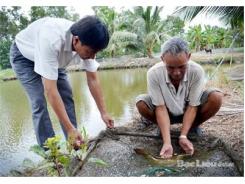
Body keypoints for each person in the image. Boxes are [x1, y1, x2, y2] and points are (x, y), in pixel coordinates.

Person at [10, 16, 114, 149]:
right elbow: (51, 91)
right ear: (76, 40)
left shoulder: (88, 40)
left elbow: (93, 79)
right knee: (38, 102)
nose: (92, 56)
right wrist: (70, 128)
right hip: (24, 58)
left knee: (66, 95)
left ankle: (74, 143)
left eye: (95, 52)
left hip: (54, 59)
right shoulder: (51, 39)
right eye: (90, 52)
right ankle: (52, 153)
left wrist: (104, 113)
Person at [135, 37, 223, 158]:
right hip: (165, 110)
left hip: (189, 110)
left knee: (216, 97)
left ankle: (190, 128)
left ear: (189, 56)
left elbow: (193, 106)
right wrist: (167, 143)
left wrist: (182, 136)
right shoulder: (153, 73)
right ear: (162, 59)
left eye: (182, 66)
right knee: (141, 102)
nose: (176, 72)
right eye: (170, 67)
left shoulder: (197, 71)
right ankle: (164, 130)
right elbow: (160, 107)